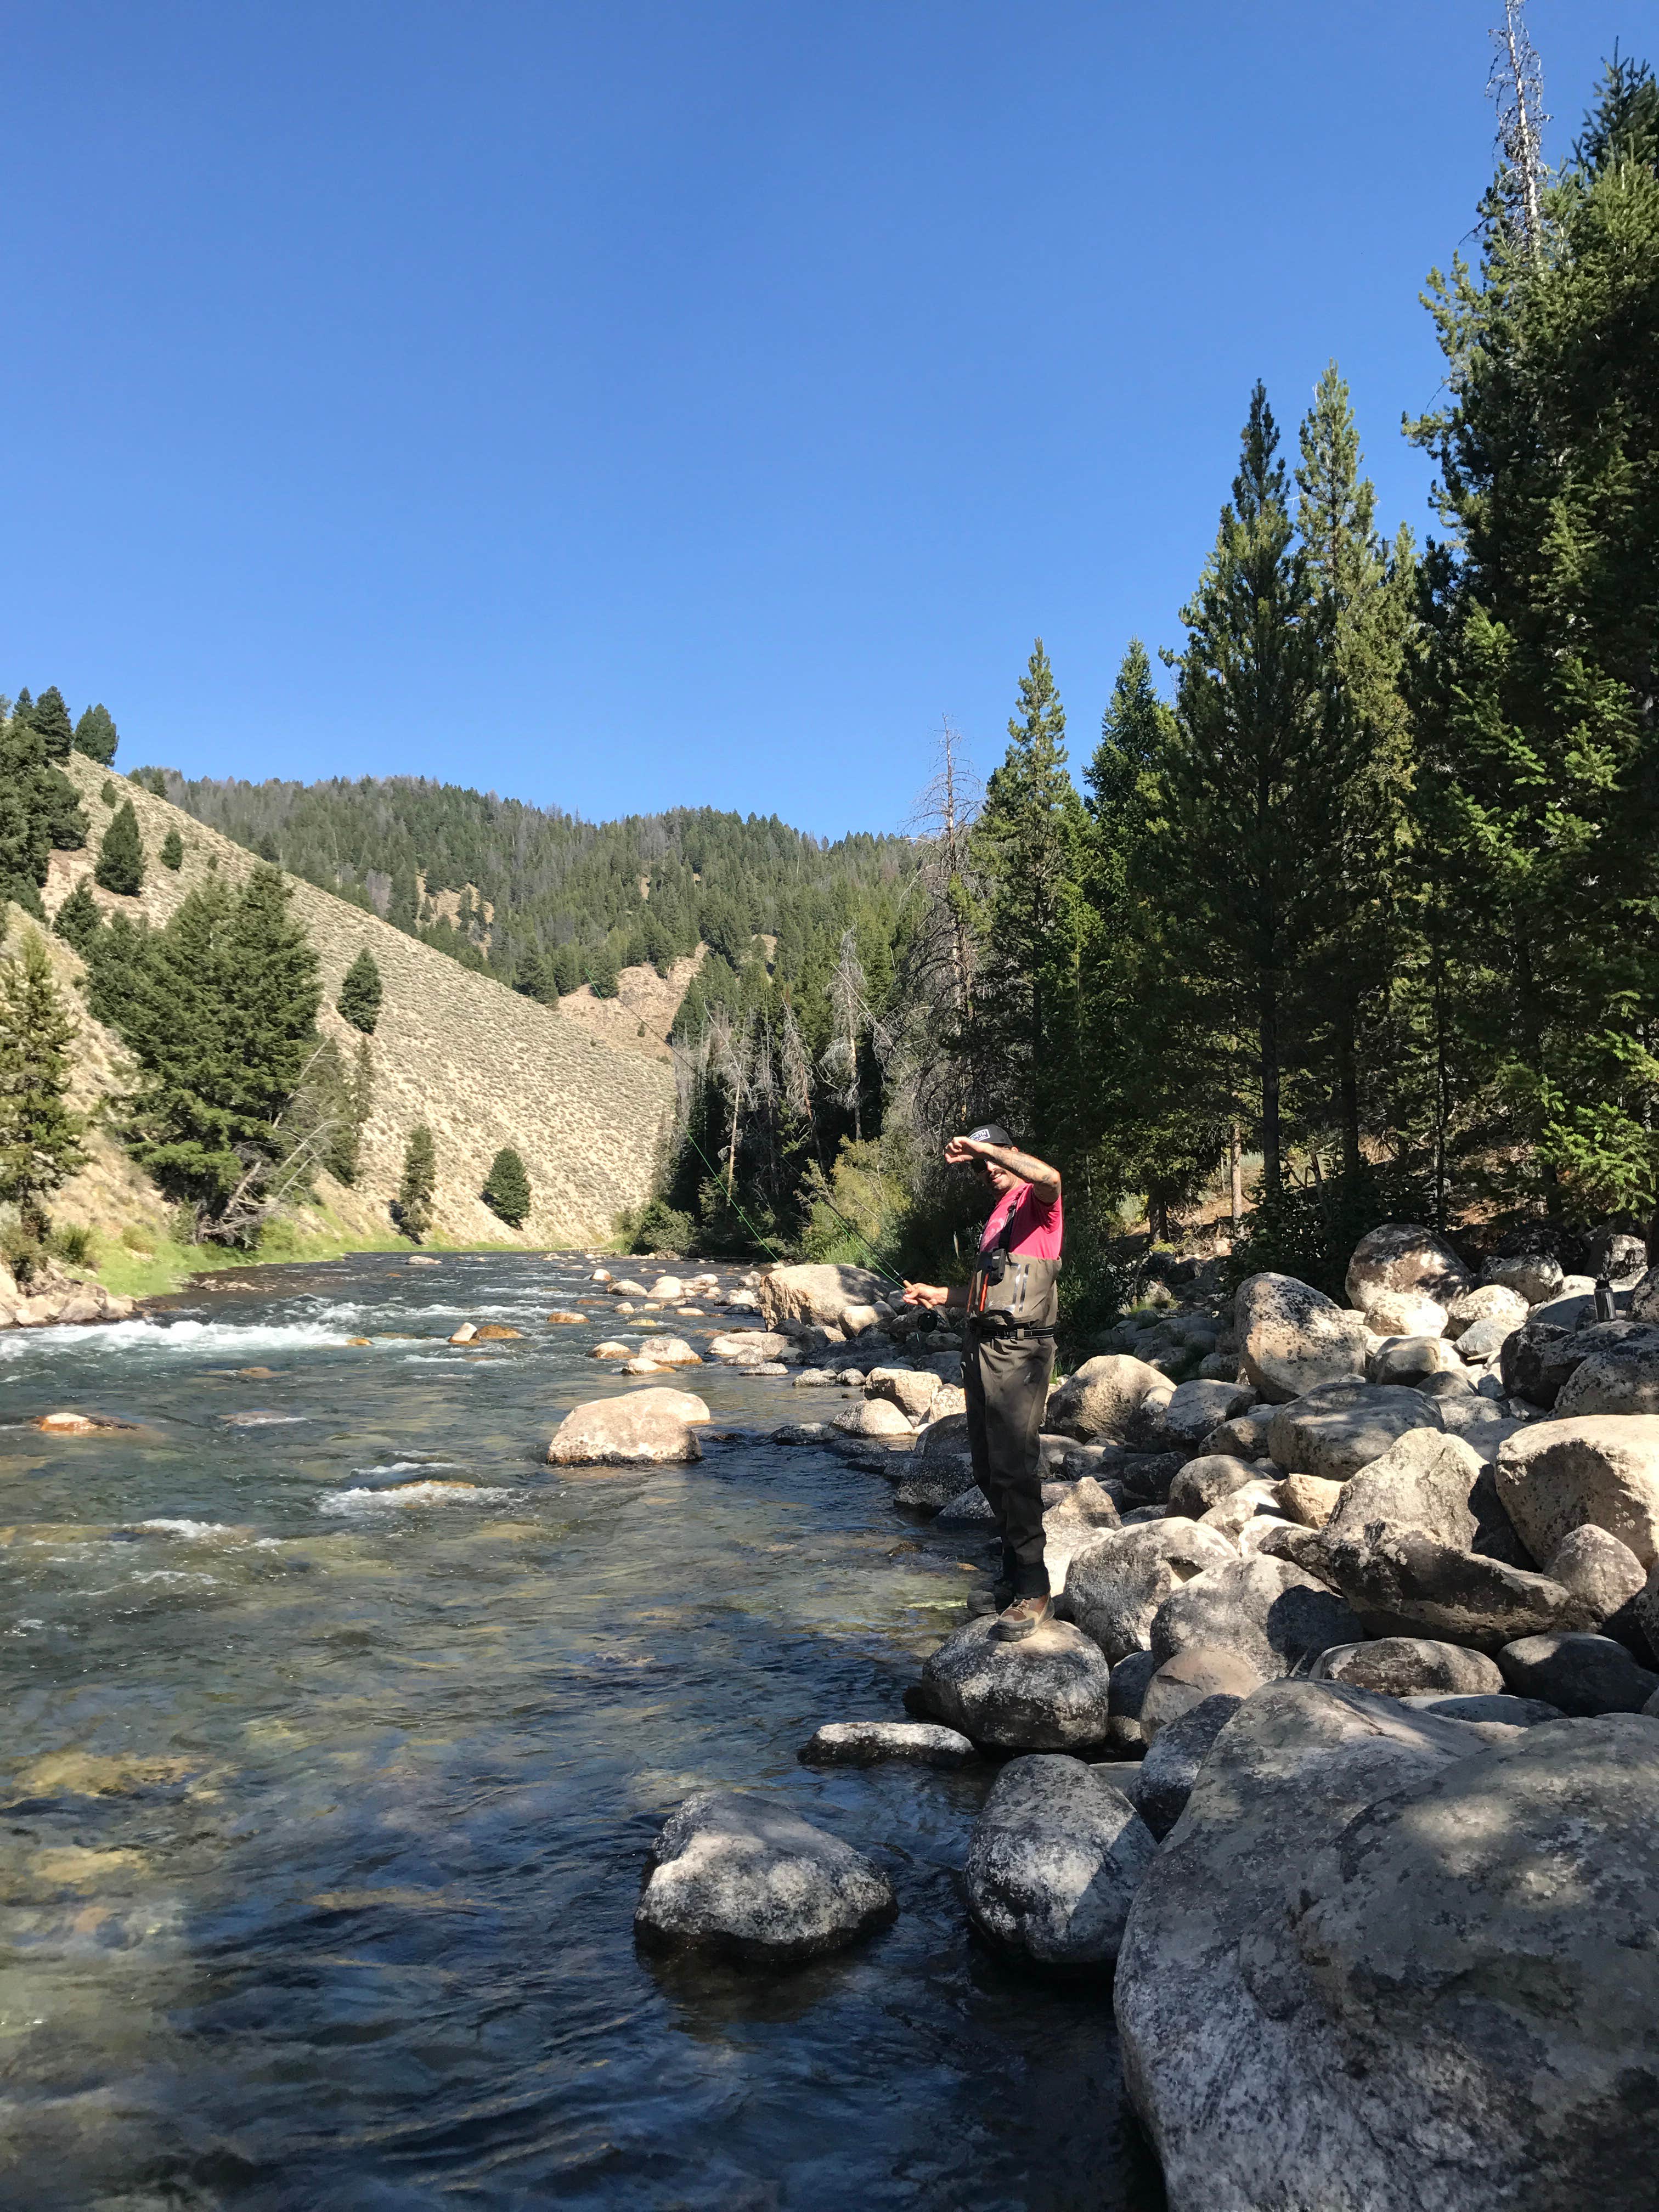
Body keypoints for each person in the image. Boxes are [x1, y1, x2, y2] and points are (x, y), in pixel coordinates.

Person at [901, 1124, 1063, 1640]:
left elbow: (1052, 1177)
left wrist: (983, 1149)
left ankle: (1036, 1591)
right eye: (979, 1165)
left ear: (1012, 1153)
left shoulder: (1039, 1205)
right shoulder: (998, 1218)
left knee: (1014, 1465)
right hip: (983, 1347)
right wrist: (939, 1294)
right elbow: (989, 1287)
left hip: (1021, 1349)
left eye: (995, 1158)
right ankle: (1014, 1573)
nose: (988, 1169)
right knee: (988, 1467)